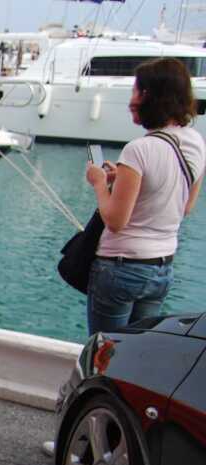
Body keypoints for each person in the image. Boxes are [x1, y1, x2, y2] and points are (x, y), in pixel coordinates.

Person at [84, 57, 204, 335]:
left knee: (104, 353)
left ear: (151, 96)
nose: (131, 100)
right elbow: (186, 206)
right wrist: (124, 179)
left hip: (120, 267)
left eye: (137, 91)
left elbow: (115, 220)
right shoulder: (196, 143)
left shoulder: (139, 149)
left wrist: (100, 183)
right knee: (134, 354)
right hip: (161, 268)